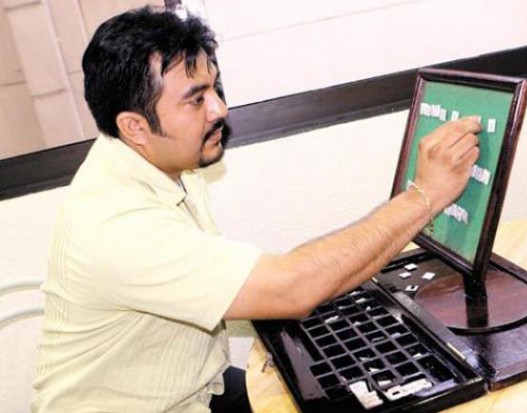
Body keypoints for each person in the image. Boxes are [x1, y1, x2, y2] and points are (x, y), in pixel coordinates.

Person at [32, 6, 480, 413]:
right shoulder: (116, 224)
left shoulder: (161, 161)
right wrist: (425, 195)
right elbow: (291, 289)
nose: (219, 109)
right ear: (134, 127)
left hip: (197, 388)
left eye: (215, 87)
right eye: (196, 99)